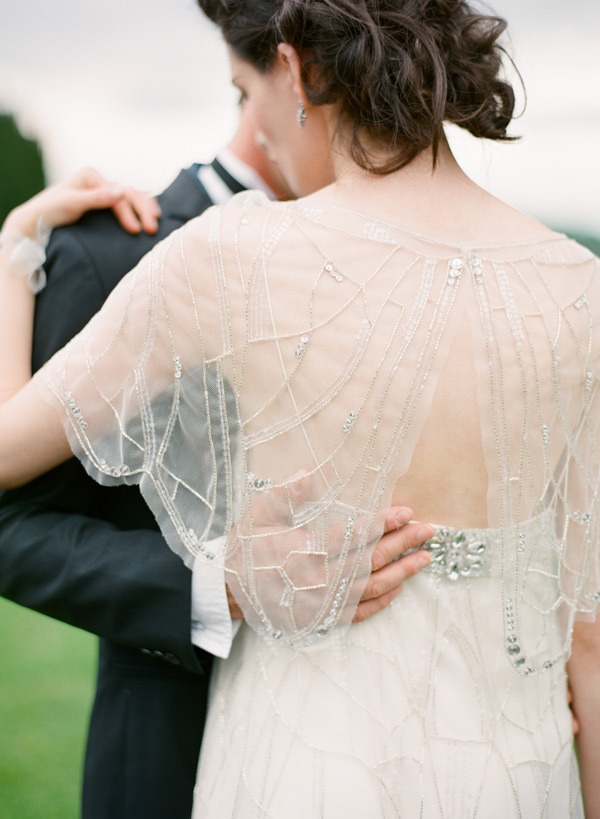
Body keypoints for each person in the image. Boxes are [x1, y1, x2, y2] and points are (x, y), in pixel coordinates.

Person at [0, 0, 599, 815]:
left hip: (303, 764)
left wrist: (14, 256)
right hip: (515, 771)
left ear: (296, 69)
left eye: (247, 94)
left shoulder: (227, 254)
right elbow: (592, 638)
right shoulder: (580, 290)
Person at [0, 102, 430, 819]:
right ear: (292, 68)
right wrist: (215, 585)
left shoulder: (403, 262)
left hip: (369, 742)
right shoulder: (108, 252)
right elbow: (11, 524)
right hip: (171, 744)